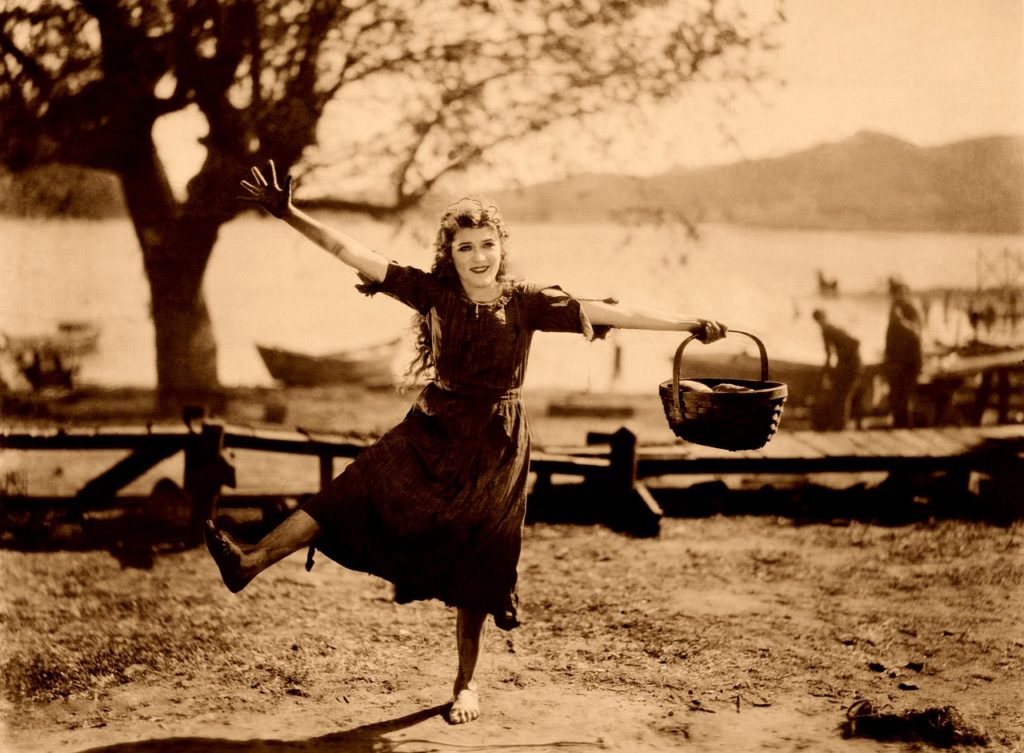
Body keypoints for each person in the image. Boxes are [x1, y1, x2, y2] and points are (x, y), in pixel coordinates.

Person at [205, 160, 728, 725]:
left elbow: (609, 311)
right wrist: (289, 213)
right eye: (464, 248)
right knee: (350, 491)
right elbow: (351, 252)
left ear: (502, 247)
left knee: (482, 557)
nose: (478, 257)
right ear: (448, 255)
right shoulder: (430, 291)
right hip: (430, 427)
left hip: (496, 446)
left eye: (486, 245)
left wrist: (688, 322)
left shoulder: (527, 301)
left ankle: (466, 686)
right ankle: (251, 560)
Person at [811, 309, 862, 430]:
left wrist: (839, 360)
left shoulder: (829, 330)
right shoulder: (831, 329)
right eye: (819, 320)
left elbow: (855, 343)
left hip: (851, 364)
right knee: (841, 395)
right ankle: (839, 424)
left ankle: (840, 425)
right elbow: (830, 353)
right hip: (849, 363)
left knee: (842, 395)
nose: (820, 323)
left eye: (821, 319)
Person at [883, 277, 923, 428]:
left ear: (906, 293)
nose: (895, 296)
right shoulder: (894, 307)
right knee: (895, 398)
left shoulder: (911, 308)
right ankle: (898, 428)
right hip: (895, 361)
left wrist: (900, 320)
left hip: (909, 362)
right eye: (894, 293)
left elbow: (915, 332)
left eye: (899, 292)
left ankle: (905, 430)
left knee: (905, 398)